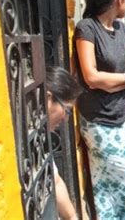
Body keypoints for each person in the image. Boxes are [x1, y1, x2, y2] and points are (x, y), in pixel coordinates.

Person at [73, 0, 125, 218]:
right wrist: (124, 80)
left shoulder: (121, 28)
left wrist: (113, 83)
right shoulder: (87, 28)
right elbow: (92, 78)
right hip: (100, 121)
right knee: (110, 181)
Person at [46, 66, 82, 220]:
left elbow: (56, 180)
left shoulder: (41, 135)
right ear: (48, 99)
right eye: (67, 111)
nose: (66, 119)